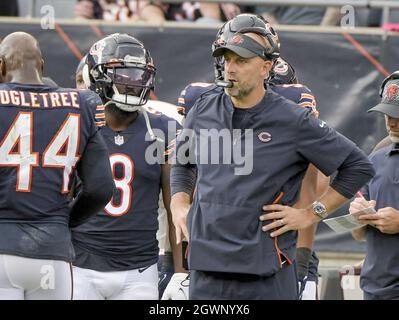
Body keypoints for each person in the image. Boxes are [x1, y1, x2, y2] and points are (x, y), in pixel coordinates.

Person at [170, 26, 375, 299]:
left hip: (264, 274)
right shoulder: (203, 108)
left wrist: (311, 214)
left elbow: (357, 166)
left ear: (266, 67)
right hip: (205, 270)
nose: (230, 68)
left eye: (241, 61)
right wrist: (179, 203)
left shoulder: (293, 120)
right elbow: (184, 162)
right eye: (227, 59)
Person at [0, 32, 114, 300]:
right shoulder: (80, 103)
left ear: (2, 66)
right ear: (42, 65)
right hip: (52, 253)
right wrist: (62, 221)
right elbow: (101, 188)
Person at [71, 33, 183, 300]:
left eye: (139, 75)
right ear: (97, 76)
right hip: (80, 265)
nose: (134, 83)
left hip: (140, 270)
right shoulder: (76, 123)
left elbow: (177, 206)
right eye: (124, 74)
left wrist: (181, 272)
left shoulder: (165, 129)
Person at [350, 71, 399, 300]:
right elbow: (358, 235)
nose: (391, 121)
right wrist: (357, 218)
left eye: (398, 114)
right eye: (387, 113)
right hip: (375, 290)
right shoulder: (376, 158)